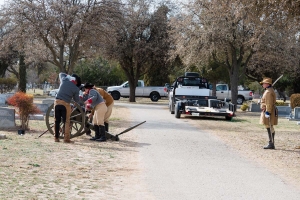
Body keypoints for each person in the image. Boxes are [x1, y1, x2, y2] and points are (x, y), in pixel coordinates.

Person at [54, 73, 81, 143]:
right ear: (76, 81)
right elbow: (76, 100)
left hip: (57, 102)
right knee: (66, 121)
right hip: (65, 104)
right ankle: (66, 139)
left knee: (57, 121)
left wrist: (68, 76)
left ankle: (56, 138)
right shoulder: (76, 88)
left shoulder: (64, 81)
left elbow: (60, 74)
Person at [259, 77, 278, 149]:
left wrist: (268, 112)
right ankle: (271, 142)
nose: (263, 84)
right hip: (268, 110)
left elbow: (269, 103)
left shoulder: (269, 92)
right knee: (268, 126)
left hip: (269, 111)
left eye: (264, 83)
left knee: (269, 126)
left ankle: (271, 143)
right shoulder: (268, 90)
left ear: (267, 84)